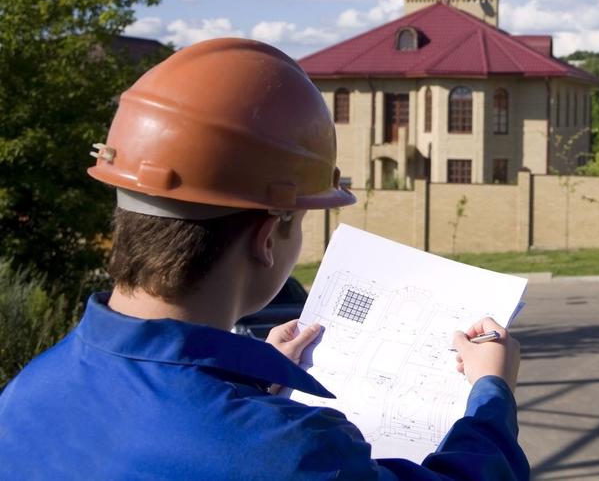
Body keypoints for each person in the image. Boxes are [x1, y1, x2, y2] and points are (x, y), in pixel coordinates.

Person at [0, 38, 529, 480]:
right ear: (269, 235)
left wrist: (245, 383)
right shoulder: (291, 452)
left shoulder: (26, 393)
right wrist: (491, 394)